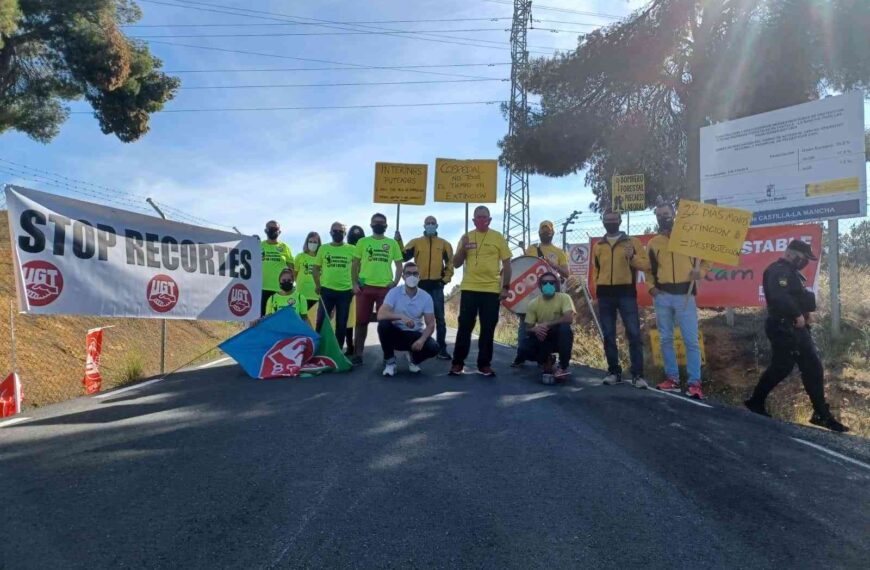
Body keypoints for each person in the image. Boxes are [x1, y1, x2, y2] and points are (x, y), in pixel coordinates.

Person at [744, 240, 848, 432]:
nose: (805, 261)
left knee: (812, 367)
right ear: (791, 253)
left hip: (794, 328)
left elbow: (796, 297)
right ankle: (756, 401)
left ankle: (820, 414)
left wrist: (804, 314)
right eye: (803, 258)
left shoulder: (791, 273)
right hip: (783, 326)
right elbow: (779, 296)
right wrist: (796, 314)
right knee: (783, 367)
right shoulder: (778, 271)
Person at [647, 203, 711, 400]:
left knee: (691, 340)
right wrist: (651, 287)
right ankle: (672, 379)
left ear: (674, 214)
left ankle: (695, 384)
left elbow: (707, 261)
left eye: (666, 214)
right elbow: (649, 269)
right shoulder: (653, 243)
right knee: (665, 339)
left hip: (686, 295)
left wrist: (699, 272)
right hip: (663, 297)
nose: (662, 217)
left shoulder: (690, 238)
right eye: (659, 215)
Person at [450, 205, 513, 377]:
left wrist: (505, 287)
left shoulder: (498, 237)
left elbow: (507, 264)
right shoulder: (466, 237)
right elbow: (455, 263)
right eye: (478, 217)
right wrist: (463, 247)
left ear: (490, 219)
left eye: (485, 217)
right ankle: (457, 363)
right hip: (470, 288)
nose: (481, 219)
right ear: (473, 220)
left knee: (488, 328)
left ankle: (484, 364)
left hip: (491, 290)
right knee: (464, 327)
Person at [592, 210, 650, 388]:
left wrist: (632, 256)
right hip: (605, 295)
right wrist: (597, 291)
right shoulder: (598, 246)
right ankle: (613, 372)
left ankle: (637, 375)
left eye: (613, 220)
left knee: (633, 333)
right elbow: (596, 271)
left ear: (620, 221)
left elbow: (646, 265)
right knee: (609, 335)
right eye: (607, 220)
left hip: (626, 293)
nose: (610, 222)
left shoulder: (632, 242)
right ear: (603, 222)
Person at [512, 220, 571, 366]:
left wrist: (554, 265)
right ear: (539, 233)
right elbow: (523, 267)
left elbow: (566, 273)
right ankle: (521, 356)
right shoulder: (532, 249)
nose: (546, 233)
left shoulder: (559, 252)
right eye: (543, 231)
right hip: (529, 294)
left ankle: (545, 356)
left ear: (553, 233)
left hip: (549, 293)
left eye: (548, 231)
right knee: (525, 324)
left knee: (548, 325)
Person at [396, 215, 455, 360]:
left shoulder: (444, 244)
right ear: (423, 226)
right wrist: (398, 240)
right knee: (413, 318)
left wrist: (444, 281)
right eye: (428, 223)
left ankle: (442, 349)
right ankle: (413, 347)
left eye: (433, 223)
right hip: (419, 286)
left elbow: (450, 264)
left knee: (439, 319)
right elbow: (403, 256)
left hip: (436, 286)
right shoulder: (416, 242)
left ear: (437, 225)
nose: (430, 225)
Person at [351, 213, 403, 366]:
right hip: (364, 288)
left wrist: (395, 282)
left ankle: (388, 355)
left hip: (385, 289)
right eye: (376, 222)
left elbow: (399, 264)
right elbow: (355, 263)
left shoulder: (392, 243)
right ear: (371, 224)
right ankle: (358, 354)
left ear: (386, 225)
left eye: (382, 222)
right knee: (361, 321)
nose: (379, 224)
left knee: (385, 323)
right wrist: (354, 283)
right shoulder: (362, 242)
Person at [376, 262, 440, 376]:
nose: (412, 276)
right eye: (408, 273)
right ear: (403, 276)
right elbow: (380, 315)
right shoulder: (394, 292)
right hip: (396, 334)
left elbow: (430, 324)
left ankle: (414, 360)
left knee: (434, 347)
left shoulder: (426, 297)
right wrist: (400, 316)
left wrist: (422, 340)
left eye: (415, 273)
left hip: (415, 335)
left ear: (419, 276)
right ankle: (390, 362)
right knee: (383, 325)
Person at [515, 272, 575, 382]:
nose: (548, 285)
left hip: (558, 335)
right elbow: (528, 328)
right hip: (542, 335)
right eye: (545, 282)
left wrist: (547, 324)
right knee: (523, 348)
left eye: (551, 283)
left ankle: (562, 367)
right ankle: (546, 360)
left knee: (565, 328)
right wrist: (535, 329)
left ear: (556, 285)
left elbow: (568, 318)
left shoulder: (564, 298)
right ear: (540, 285)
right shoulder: (533, 303)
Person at [313, 222, 355, 348]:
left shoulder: (352, 249)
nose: (337, 233)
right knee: (321, 321)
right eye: (335, 231)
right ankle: (317, 349)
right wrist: (317, 284)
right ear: (330, 232)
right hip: (326, 291)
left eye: (340, 231)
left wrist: (355, 285)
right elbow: (315, 268)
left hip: (345, 292)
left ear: (345, 233)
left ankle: (338, 351)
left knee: (341, 324)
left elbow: (359, 269)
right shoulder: (323, 248)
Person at [260, 220, 294, 317]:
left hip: (280, 289)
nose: (273, 231)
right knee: (262, 318)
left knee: (279, 318)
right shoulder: (259, 245)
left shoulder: (285, 247)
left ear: (279, 231)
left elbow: (291, 268)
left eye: (275, 229)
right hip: (262, 288)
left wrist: (291, 286)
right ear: (265, 230)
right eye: (270, 229)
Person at [344, 225, 366, 356]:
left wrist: (360, 284)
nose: (356, 239)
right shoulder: (346, 249)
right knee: (348, 318)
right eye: (354, 236)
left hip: (361, 287)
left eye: (359, 237)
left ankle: (358, 345)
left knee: (359, 318)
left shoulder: (364, 249)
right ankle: (350, 345)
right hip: (346, 287)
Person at [294, 232, 321, 311]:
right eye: (310, 242)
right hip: (302, 294)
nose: (312, 244)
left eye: (315, 242)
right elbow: (294, 274)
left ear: (319, 244)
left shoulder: (321, 258)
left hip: (317, 295)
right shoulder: (300, 256)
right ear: (307, 242)